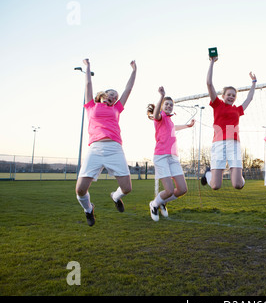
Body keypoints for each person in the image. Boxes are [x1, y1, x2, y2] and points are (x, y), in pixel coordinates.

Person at [75, 58, 137, 226]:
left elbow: (128, 89)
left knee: (127, 189)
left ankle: (115, 197)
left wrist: (133, 70)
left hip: (114, 149)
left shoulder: (116, 109)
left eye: (115, 97)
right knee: (80, 189)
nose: (113, 97)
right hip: (95, 149)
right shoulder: (90, 106)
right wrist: (88, 67)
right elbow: (88, 84)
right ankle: (88, 209)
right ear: (103, 95)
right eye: (111, 94)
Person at [201, 56, 257, 190]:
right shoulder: (217, 104)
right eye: (229, 94)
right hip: (219, 144)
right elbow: (209, 83)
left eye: (234, 95)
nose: (231, 97)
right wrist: (212, 62)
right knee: (215, 186)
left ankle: (238, 176)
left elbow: (249, 98)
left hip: (234, 144)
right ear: (223, 96)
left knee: (237, 185)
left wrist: (254, 82)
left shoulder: (237, 110)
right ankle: (208, 174)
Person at [148, 86, 195, 222]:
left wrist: (188, 126)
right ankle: (154, 204)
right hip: (161, 157)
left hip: (173, 158)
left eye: (171, 105)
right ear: (162, 106)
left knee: (182, 189)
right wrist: (162, 96)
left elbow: (175, 127)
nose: (169, 106)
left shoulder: (170, 120)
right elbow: (156, 113)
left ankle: (162, 202)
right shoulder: (160, 117)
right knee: (168, 190)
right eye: (166, 104)